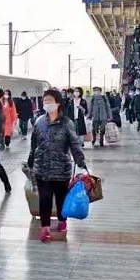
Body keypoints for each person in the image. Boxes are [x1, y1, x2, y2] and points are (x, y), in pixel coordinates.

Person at [27, 89, 87, 243]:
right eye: (44, 101)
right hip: (42, 168)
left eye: (49, 101)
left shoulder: (67, 123)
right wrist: (31, 160)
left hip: (61, 169)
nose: (46, 104)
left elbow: (74, 144)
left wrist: (80, 160)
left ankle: (62, 221)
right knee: (45, 199)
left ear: (58, 103)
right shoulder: (39, 121)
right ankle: (45, 229)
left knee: (61, 199)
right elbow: (34, 144)